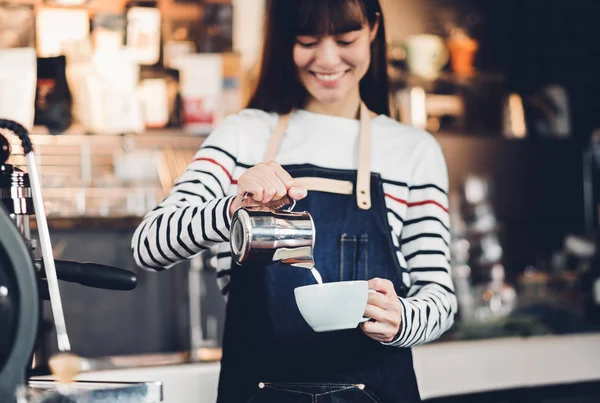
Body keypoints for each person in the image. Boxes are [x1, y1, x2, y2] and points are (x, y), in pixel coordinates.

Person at [132, 0, 457, 401]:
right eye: (308, 40)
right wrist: (233, 208)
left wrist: (403, 319)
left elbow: (440, 296)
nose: (327, 58)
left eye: (345, 39)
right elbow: (147, 246)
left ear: (373, 29)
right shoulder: (242, 136)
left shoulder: (413, 151)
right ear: (285, 40)